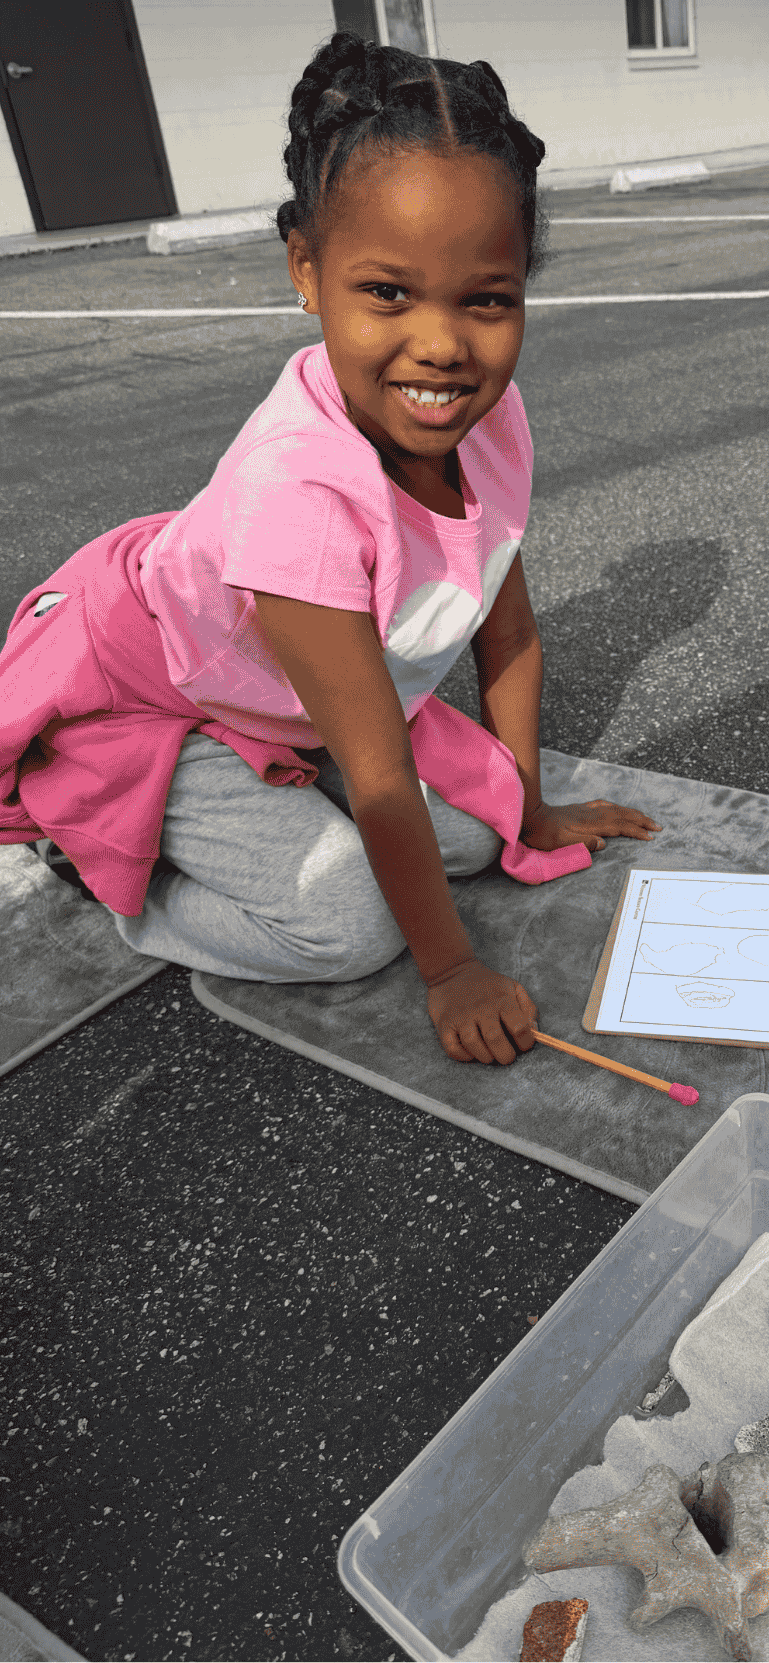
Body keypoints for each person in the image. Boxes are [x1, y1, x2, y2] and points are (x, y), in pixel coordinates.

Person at [0, 32, 658, 1067]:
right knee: (352, 926)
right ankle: (100, 863)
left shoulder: (487, 416)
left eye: (485, 297)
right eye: (388, 293)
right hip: (152, 698)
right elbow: (380, 771)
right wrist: (449, 972)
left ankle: (310, 799)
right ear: (307, 270)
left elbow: (510, 629)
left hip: (272, 694)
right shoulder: (296, 495)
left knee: (482, 840)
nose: (442, 345)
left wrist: (530, 812)